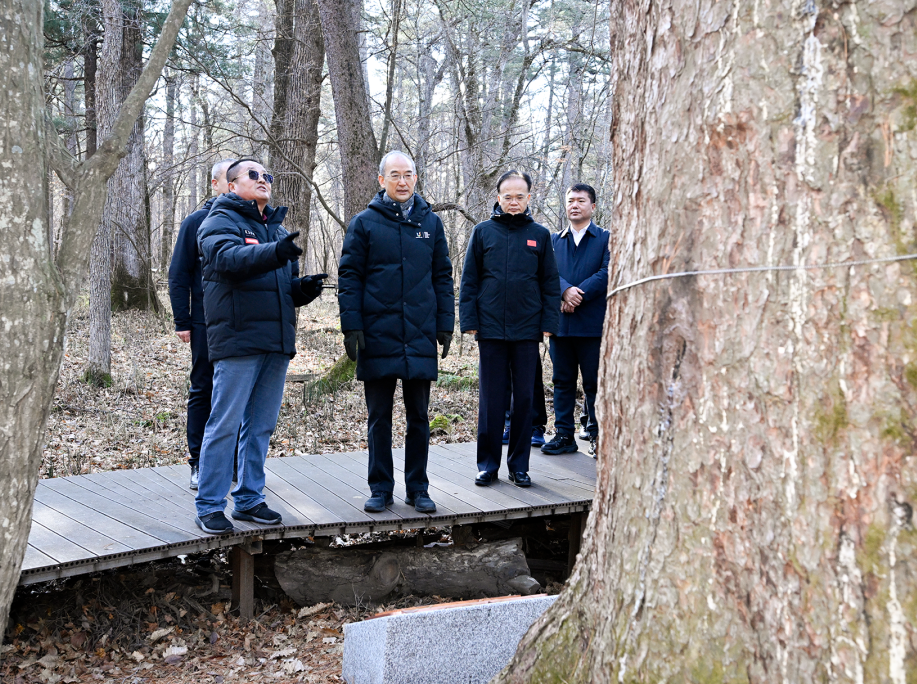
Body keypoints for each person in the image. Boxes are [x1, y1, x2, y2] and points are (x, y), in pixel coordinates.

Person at [194, 159, 327, 534]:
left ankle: (250, 498)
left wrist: (300, 291)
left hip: (275, 341)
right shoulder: (218, 221)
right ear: (232, 185)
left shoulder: (276, 230)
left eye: (267, 175)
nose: (263, 180)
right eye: (254, 175)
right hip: (237, 340)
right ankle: (209, 505)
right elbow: (228, 260)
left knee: (261, 426)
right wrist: (276, 253)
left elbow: (275, 288)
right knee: (224, 424)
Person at [337, 151, 455, 514]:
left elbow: (442, 276)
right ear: (381, 180)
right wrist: (352, 325)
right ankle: (380, 487)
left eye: (408, 175)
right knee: (379, 417)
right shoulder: (364, 223)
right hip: (377, 332)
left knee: (419, 415)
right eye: (394, 175)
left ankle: (418, 488)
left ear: (416, 179)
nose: (402, 181)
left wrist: (445, 324)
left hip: (419, 333)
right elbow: (349, 277)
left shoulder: (430, 224)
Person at [460, 170, 560, 487]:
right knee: (491, 400)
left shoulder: (540, 235)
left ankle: (519, 466)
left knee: (525, 401)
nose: (513, 202)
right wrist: (470, 322)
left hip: (528, 331)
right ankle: (488, 465)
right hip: (489, 329)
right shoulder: (482, 232)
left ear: (529, 198)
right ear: (498, 197)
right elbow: (469, 281)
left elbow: (550, 284)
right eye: (508, 196)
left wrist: (548, 324)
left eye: (519, 196)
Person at [168, 158, 236, 489]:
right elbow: (178, 274)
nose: (236, 182)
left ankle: (234, 465)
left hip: (242, 322)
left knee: (237, 392)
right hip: (204, 322)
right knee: (203, 388)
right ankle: (198, 463)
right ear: (215, 184)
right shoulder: (196, 222)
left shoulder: (250, 221)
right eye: (229, 178)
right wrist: (182, 320)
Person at [541, 183, 609, 458]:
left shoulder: (606, 238)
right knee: (562, 381)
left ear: (593, 206)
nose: (575, 205)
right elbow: (546, 272)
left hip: (592, 325)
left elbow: (608, 270)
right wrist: (564, 290)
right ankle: (564, 435)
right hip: (562, 325)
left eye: (581, 200)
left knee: (594, 383)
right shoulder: (555, 240)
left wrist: (578, 294)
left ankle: (596, 435)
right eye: (570, 200)